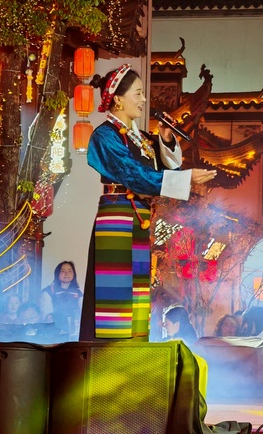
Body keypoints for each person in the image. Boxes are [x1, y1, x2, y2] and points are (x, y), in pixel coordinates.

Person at [82, 65, 216, 340]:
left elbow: (160, 169)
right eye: (138, 93)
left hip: (138, 214)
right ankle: (110, 350)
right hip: (117, 212)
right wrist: (186, 179)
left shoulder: (140, 138)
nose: (144, 99)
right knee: (116, 290)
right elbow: (136, 175)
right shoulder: (105, 135)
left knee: (137, 287)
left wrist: (164, 139)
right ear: (118, 99)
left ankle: (134, 348)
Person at [38, 260, 83, 338]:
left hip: (75, 330)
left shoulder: (78, 293)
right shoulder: (49, 291)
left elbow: (82, 312)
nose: (66, 274)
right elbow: (47, 314)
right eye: (63, 271)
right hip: (55, 331)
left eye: (69, 271)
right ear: (57, 273)